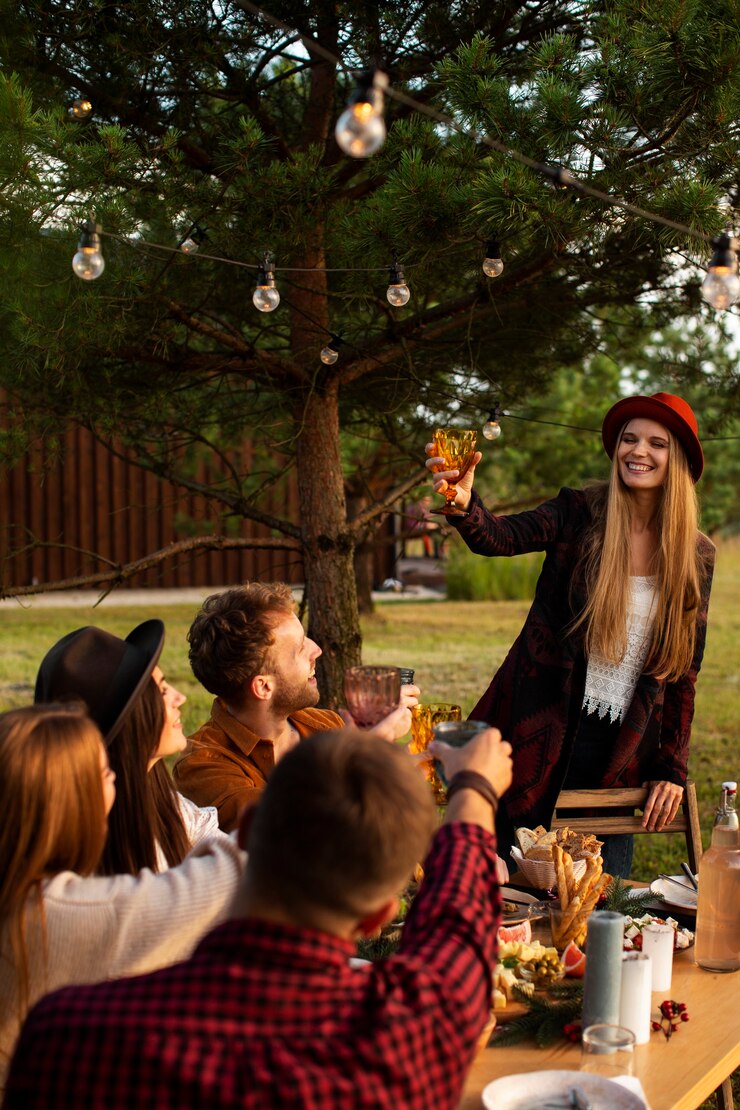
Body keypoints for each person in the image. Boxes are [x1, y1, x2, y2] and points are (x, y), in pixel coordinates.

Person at [5, 723, 513, 1109]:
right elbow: (457, 927)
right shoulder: (413, 1035)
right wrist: (473, 790)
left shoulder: (67, 1034)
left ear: (244, 833)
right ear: (378, 916)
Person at [426, 392, 714, 877]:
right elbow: (499, 536)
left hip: (621, 758)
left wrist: (672, 772)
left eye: (656, 443)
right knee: (510, 896)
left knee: (603, 908)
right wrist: (462, 503)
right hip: (542, 736)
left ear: (678, 458)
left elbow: (685, 672)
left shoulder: (696, 556)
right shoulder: (577, 513)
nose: (637, 451)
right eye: (629, 439)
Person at [0, 704, 246, 1091]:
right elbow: (217, 883)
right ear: (68, 801)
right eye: (103, 773)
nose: (114, 779)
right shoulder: (60, 914)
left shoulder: (20, 887)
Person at [174, 582, 417, 830]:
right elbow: (286, 832)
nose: (317, 650)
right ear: (264, 687)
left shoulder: (325, 725)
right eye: (300, 648)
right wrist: (367, 754)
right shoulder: (202, 766)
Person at [35, 619, 231, 874]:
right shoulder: (82, 852)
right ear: (131, 720)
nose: (179, 698)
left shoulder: (163, 799)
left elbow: (226, 853)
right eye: (162, 691)